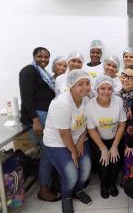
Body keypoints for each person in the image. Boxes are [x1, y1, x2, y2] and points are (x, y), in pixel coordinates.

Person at [43, 69, 92, 213]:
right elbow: (63, 133)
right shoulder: (62, 103)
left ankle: (78, 190)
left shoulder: (86, 99)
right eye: (80, 84)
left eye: (87, 83)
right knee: (71, 173)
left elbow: (85, 124)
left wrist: (81, 142)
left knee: (86, 167)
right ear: (71, 85)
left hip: (78, 139)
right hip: (57, 142)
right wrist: (73, 151)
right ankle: (67, 197)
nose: (85, 87)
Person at [19, 47, 58, 201]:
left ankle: (48, 184)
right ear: (34, 56)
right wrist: (35, 120)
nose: (44, 59)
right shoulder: (28, 71)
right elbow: (26, 96)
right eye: (40, 56)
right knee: (48, 153)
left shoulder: (44, 74)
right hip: (37, 119)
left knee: (49, 152)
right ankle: (43, 190)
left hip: (45, 117)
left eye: (47, 57)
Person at [86, 75, 127, 199]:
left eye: (109, 88)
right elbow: (91, 129)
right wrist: (103, 148)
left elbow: (122, 124)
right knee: (103, 163)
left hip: (115, 138)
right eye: (102, 88)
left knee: (115, 162)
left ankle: (112, 184)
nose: (106, 91)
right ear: (96, 90)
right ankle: (104, 185)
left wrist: (114, 146)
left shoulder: (118, 101)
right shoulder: (90, 105)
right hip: (99, 139)